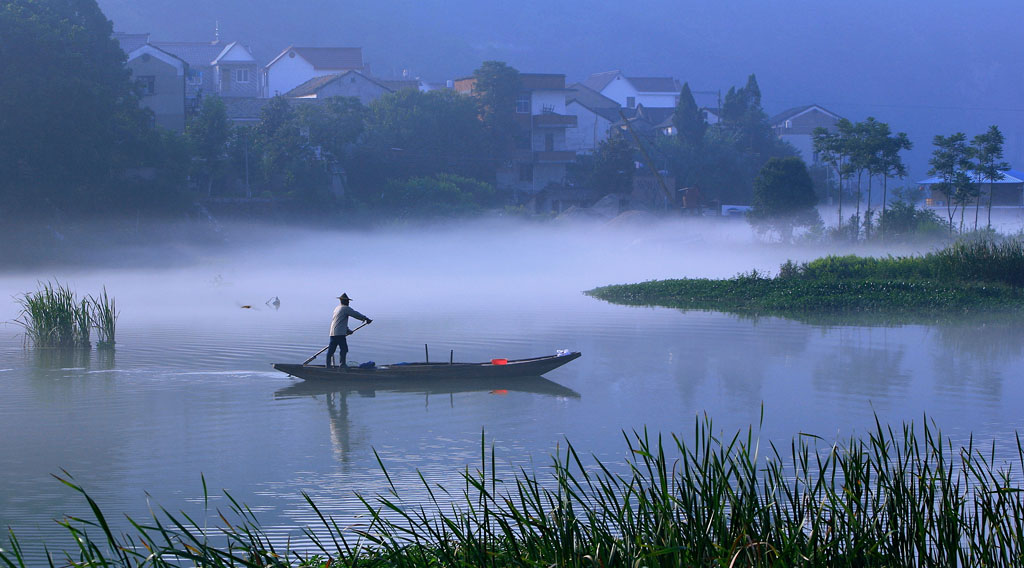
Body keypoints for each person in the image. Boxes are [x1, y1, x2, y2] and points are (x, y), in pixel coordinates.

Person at [327, 293, 371, 368]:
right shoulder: (345, 308)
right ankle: (342, 365)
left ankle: (328, 366)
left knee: (331, 351)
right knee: (344, 349)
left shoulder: (337, 308)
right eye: (347, 301)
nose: (348, 302)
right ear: (343, 301)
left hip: (333, 333)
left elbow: (340, 322)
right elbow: (355, 314)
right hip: (339, 334)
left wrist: (347, 330)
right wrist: (365, 318)